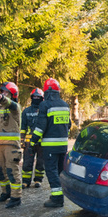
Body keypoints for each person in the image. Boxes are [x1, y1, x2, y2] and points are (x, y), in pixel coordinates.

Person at [30, 78, 71, 208]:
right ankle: (59, 195)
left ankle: (57, 199)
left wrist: (32, 141)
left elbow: (40, 127)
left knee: (51, 171)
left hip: (50, 147)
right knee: (59, 170)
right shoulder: (65, 105)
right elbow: (68, 124)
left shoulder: (45, 105)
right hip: (63, 145)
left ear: (47, 90)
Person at [0, 82, 23, 209]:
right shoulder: (0, 110)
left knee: (12, 171)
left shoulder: (15, 107)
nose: (2, 94)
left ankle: (16, 197)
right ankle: (6, 192)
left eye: (5, 92)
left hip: (11, 147)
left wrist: (2, 99)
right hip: (0, 146)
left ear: (12, 94)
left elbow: (10, 103)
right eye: (2, 92)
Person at [21, 87, 45, 188]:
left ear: (42, 98)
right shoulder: (26, 111)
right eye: (34, 96)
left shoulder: (44, 111)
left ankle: (38, 180)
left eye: (38, 97)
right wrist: (21, 140)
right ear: (31, 98)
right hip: (28, 142)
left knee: (41, 162)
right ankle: (25, 181)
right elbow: (23, 127)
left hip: (42, 142)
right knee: (27, 162)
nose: (36, 98)